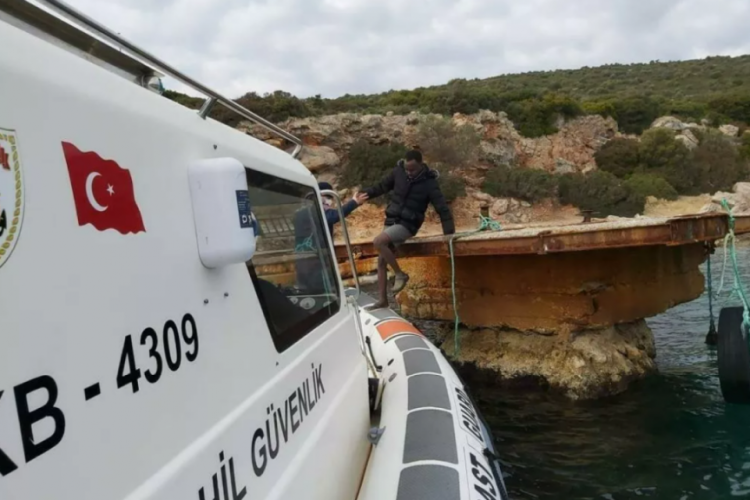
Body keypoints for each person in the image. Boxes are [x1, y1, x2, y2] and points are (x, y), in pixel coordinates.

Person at [363, 149, 455, 309]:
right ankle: (382, 301)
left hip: (408, 225)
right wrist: (364, 195)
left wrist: (449, 234)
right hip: (391, 220)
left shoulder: (429, 183)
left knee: (378, 242)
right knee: (381, 261)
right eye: (407, 169)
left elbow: (442, 207)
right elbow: (381, 186)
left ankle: (400, 274)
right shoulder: (398, 172)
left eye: (412, 169)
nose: (409, 172)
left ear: (420, 165)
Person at [293, 182, 366, 293]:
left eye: (330, 197)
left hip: (301, 258)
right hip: (317, 259)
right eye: (327, 197)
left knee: (305, 289)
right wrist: (354, 202)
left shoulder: (300, 214)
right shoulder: (316, 212)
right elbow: (334, 216)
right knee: (324, 290)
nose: (329, 201)